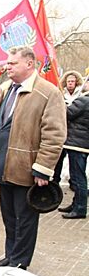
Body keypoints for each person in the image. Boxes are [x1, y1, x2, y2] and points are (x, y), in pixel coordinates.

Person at [0, 47, 66, 269]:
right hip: (2, 165)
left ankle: (19, 263)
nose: (7, 67)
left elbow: (54, 134)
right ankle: (11, 255)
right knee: (9, 217)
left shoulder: (49, 92)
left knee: (25, 219)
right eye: (7, 63)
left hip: (27, 169)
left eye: (12, 63)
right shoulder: (4, 89)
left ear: (29, 64)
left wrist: (43, 168)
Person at [57, 89, 89, 219]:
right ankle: (76, 204)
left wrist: (61, 104)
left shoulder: (83, 101)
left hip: (77, 144)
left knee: (77, 178)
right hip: (83, 144)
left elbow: (66, 114)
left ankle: (80, 208)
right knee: (78, 177)